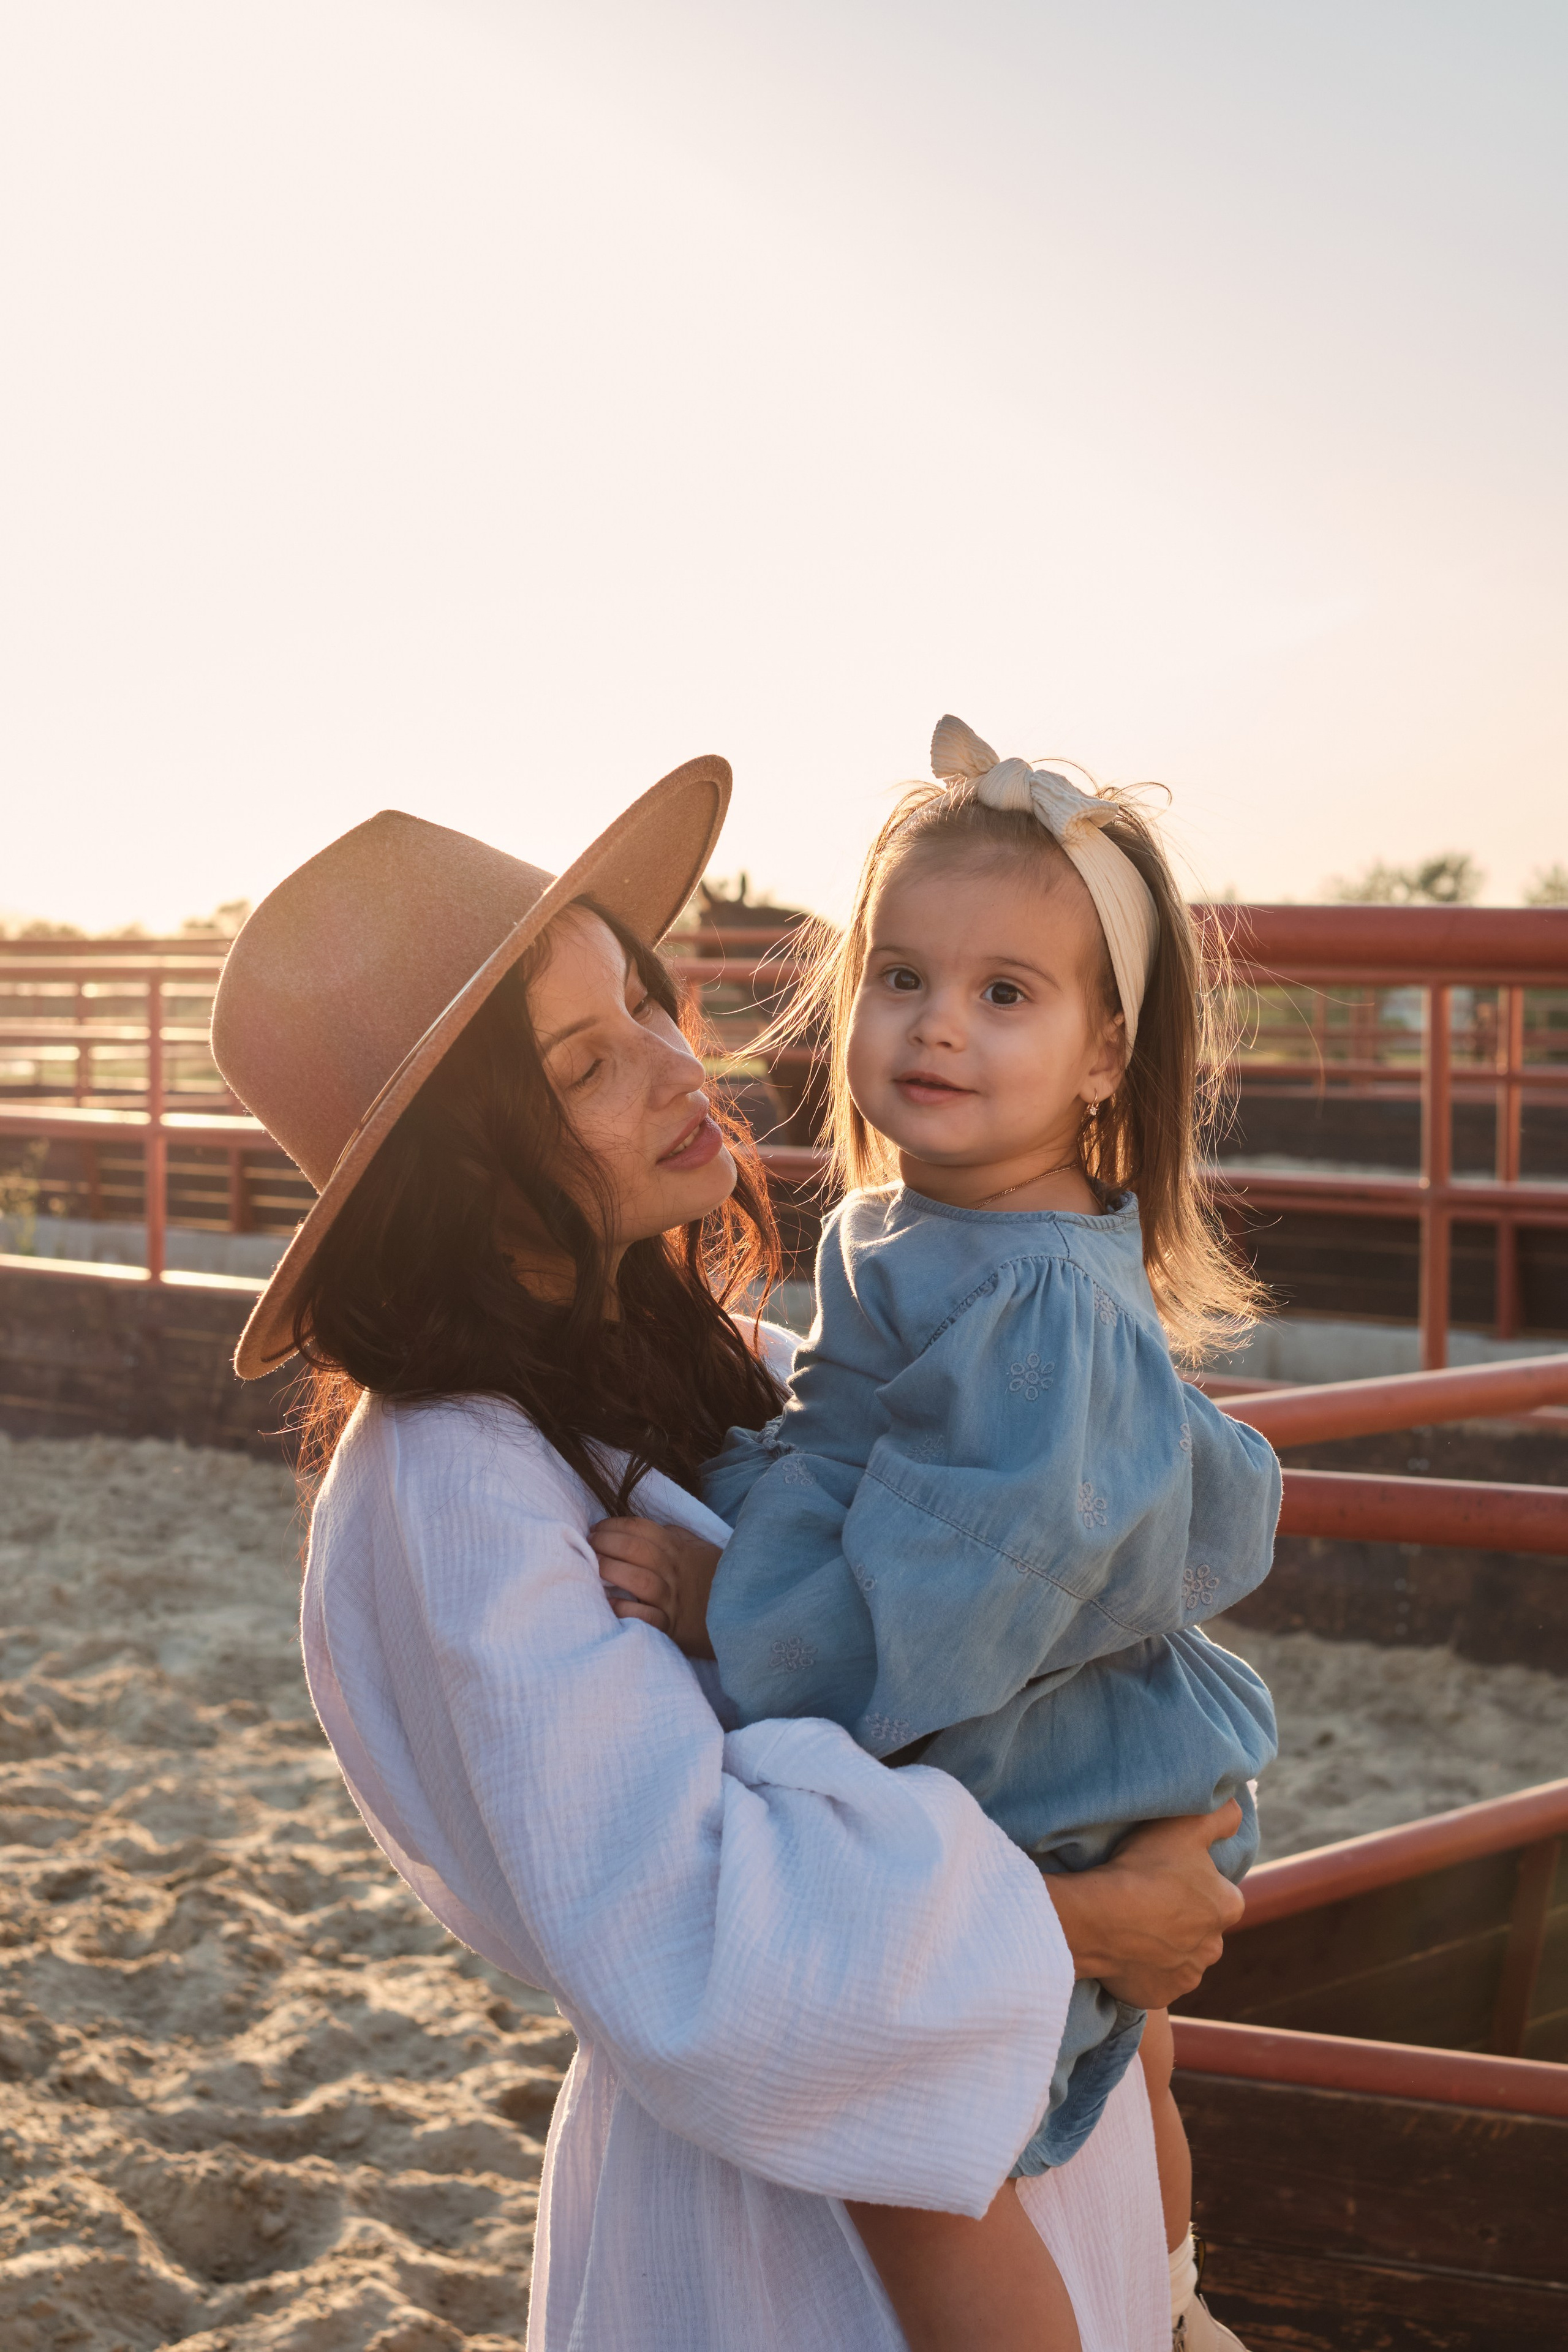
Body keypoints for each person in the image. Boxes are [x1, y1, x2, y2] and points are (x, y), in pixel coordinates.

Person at [211, 758, 1248, 2352]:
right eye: (583, 1063)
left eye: (646, 1000)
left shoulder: (714, 1358)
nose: (671, 1063)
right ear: (462, 1170)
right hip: (798, 2223)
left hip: (1004, 2102)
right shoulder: (454, 1481)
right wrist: (1085, 1924)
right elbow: (675, 1922)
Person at [595, 718, 1278, 2350]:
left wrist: (726, 1597)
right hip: (1065, 1727)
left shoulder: (1035, 1300)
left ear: (1106, 1057)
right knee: (1138, 2065)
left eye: (1006, 993)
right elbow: (868, 1464)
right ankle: (1175, 2300)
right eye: (901, 977)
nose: (938, 1025)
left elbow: (949, 1601)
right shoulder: (930, 1225)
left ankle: (1161, 2305)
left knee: (918, 2153)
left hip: (1041, 1760)